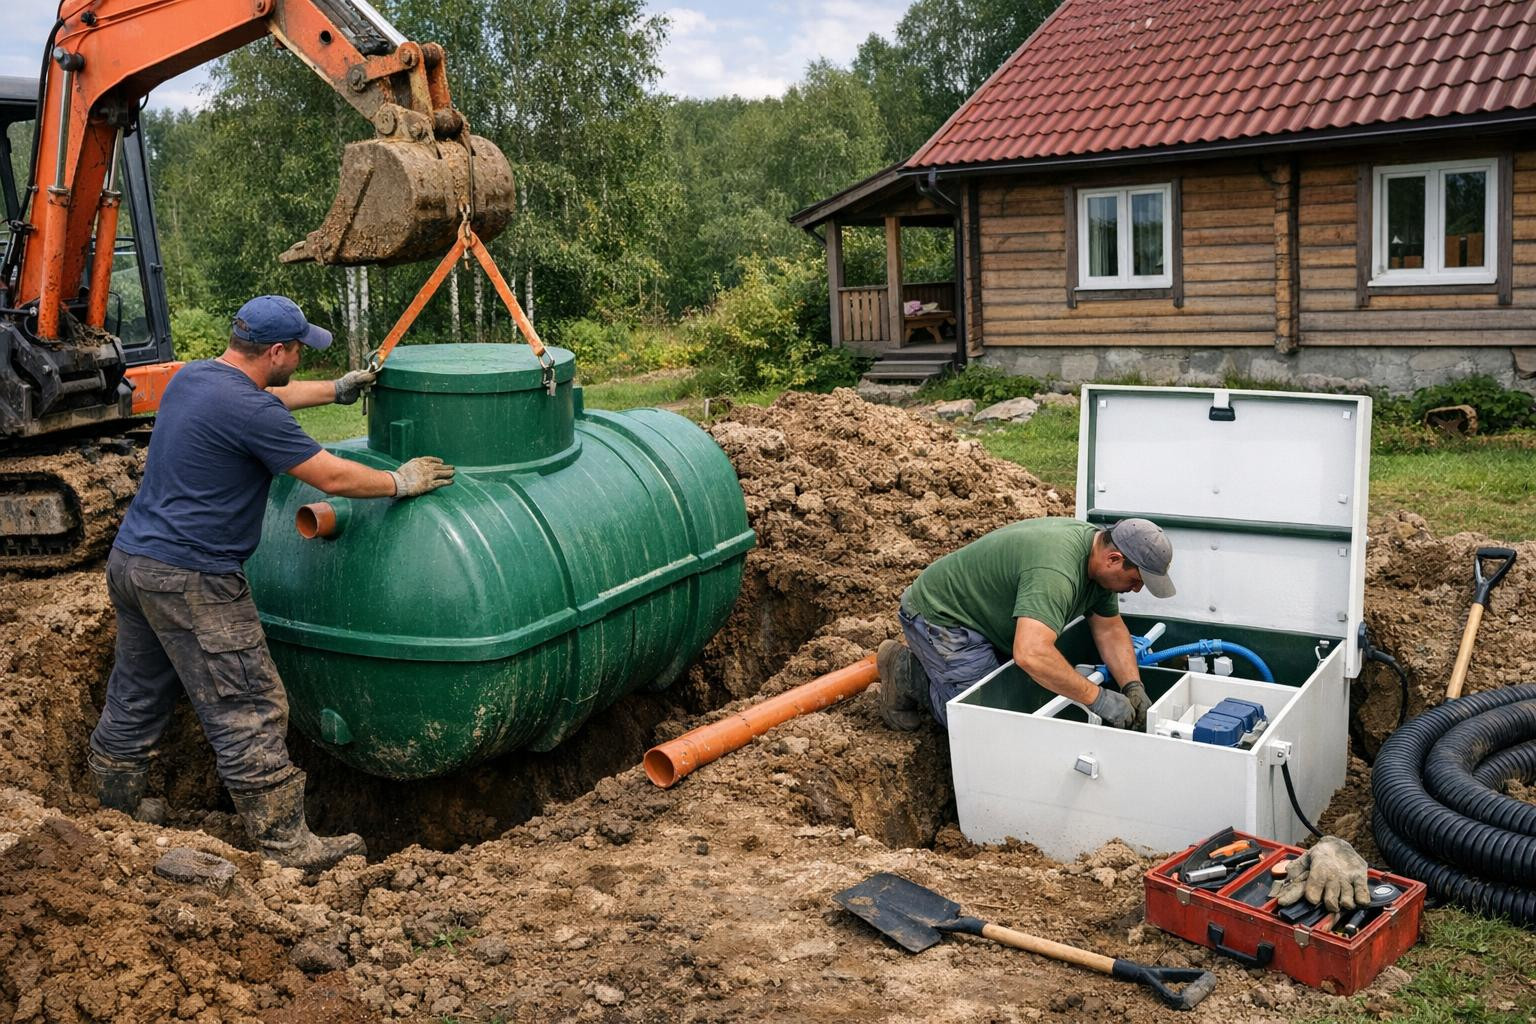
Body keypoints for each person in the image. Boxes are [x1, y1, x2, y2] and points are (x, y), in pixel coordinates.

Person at [87, 295, 456, 872]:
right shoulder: (252, 413)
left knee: (137, 691)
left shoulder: (195, 378)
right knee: (249, 706)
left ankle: (114, 811)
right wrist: (398, 481)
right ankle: (289, 848)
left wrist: (336, 390)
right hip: (194, 581)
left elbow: (268, 397)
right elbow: (331, 476)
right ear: (277, 351)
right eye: (300, 350)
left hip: (133, 563)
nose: (303, 358)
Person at [878, 517, 1176, 731]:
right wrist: (1097, 698)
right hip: (943, 617)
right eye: (1136, 580)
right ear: (1113, 559)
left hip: (987, 619)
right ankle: (907, 673)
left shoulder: (1098, 563)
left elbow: (1109, 629)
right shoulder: (1056, 572)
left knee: (1025, 691)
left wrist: (1132, 685)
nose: (1137, 589)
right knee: (982, 724)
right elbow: (1031, 653)